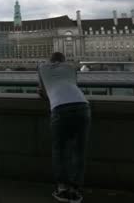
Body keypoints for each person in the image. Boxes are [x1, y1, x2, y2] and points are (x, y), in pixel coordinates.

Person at [37, 52, 90, 203]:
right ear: (63, 61)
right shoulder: (71, 68)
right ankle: (76, 191)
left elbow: (43, 92)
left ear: (50, 60)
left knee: (59, 149)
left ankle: (62, 189)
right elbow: (73, 85)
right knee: (79, 150)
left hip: (60, 108)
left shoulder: (42, 67)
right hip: (82, 106)